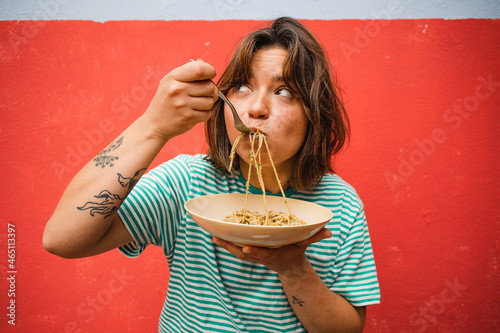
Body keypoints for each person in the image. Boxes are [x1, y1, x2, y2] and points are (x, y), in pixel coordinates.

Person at [43, 17, 380, 332]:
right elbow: (62, 240)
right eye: (244, 88)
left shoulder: (340, 203)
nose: (256, 108)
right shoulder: (186, 182)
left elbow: (347, 328)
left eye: (284, 92)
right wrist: (152, 127)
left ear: (315, 113)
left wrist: (294, 269)